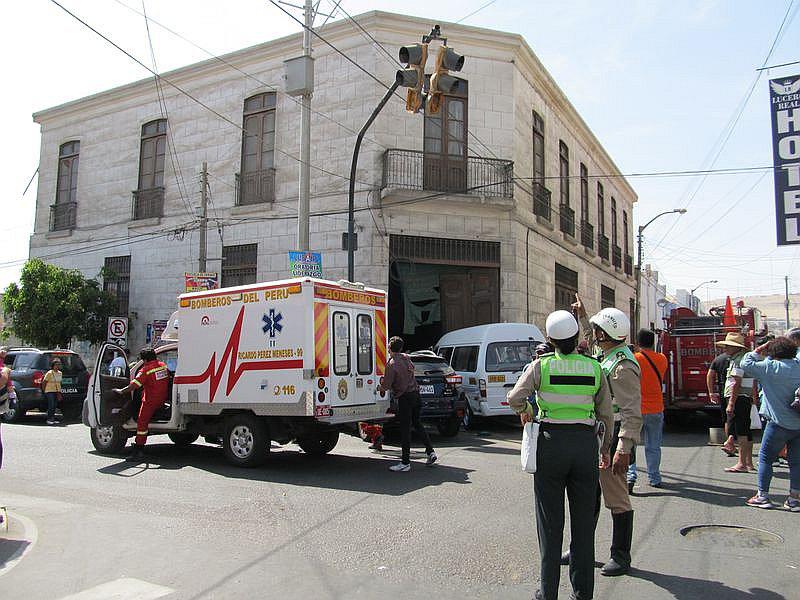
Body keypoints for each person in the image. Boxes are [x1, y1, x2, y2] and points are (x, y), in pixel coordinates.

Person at [507, 310, 613, 600]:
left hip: (551, 445)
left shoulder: (540, 367)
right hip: (584, 447)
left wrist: (528, 412)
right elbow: (606, 415)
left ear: (550, 340)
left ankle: (548, 592)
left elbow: (514, 398)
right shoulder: (595, 368)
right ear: (577, 338)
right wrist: (605, 450)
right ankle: (582, 594)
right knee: (583, 526)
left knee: (550, 525)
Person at [571, 293, 642, 577]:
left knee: (617, 498)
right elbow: (590, 335)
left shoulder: (623, 367)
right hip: (598, 436)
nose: (594, 334)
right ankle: (580, 549)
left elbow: (632, 412)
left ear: (606, 333)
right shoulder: (608, 353)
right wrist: (583, 314)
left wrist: (623, 449)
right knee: (588, 497)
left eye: (598, 330)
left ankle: (620, 556)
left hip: (613, 442)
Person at [740, 336, 800, 511]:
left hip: (777, 423)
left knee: (766, 458)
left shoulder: (770, 367)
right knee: (796, 463)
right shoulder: (797, 366)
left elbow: (746, 363)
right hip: (798, 424)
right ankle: (794, 498)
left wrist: (759, 349)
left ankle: (763, 496)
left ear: (773, 352)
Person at [379, 336, 436, 472]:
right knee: (417, 423)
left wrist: (379, 388)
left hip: (405, 397)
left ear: (389, 348)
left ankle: (405, 462)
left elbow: (386, 385)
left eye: (388, 346)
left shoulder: (392, 364)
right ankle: (430, 452)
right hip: (416, 395)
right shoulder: (406, 358)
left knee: (405, 429)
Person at [626, 329, 668, 490]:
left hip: (636, 407)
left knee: (631, 444)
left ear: (637, 343)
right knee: (654, 445)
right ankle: (654, 477)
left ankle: (631, 476)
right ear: (652, 342)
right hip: (656, 407)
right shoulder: (662, 359)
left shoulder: (634, 359)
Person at [113, 347, 170, 461]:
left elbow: (134, 385)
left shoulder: (145, 370)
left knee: (142, 424)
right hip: (162, 399)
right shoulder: (163, 365)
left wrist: (121, 391)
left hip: (150, 401)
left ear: (144, 360)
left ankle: (139, 449)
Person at [715, 332, 755, 473]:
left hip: (739, 398)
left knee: (741, 431)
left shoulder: (738, 361)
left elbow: (736, 383)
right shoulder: (742, 359)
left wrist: (731, 402)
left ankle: (742, 463)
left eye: (729, 346)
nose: (726, 348)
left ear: (736, 348)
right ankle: (748, 462)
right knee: (746, 430)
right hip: (744, 397)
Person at [707, 351, 732, 454]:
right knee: (741, 420)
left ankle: (730, 443)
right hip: (741, 393)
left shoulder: (719, 359)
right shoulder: (741, 359)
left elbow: (710, 375)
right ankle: (734, 443)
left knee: (727, 419)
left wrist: (711, 392)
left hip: (724, 392)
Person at [41, 359, 63, 425]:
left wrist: (59, 392)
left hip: (56, 391)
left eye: (59, 365)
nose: (57, 366)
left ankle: (52, 418)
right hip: (49, 391)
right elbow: (44, 382)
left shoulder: (60, 373)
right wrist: (44, 390)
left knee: (55, 406)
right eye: (56, 365)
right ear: (53, 365)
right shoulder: (50, 373)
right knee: (51, 405)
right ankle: (49, 419)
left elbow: (59, 383)